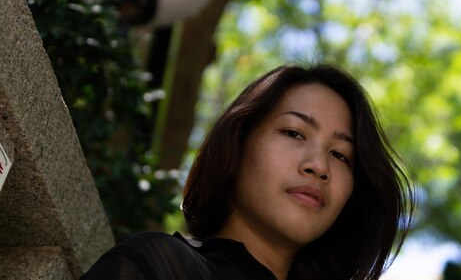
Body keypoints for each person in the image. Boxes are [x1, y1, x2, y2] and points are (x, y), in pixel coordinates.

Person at [81, 63, 415, 280]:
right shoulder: (158, 267)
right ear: (238, 144)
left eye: (341, 155)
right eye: (294, 133)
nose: (318, 165)